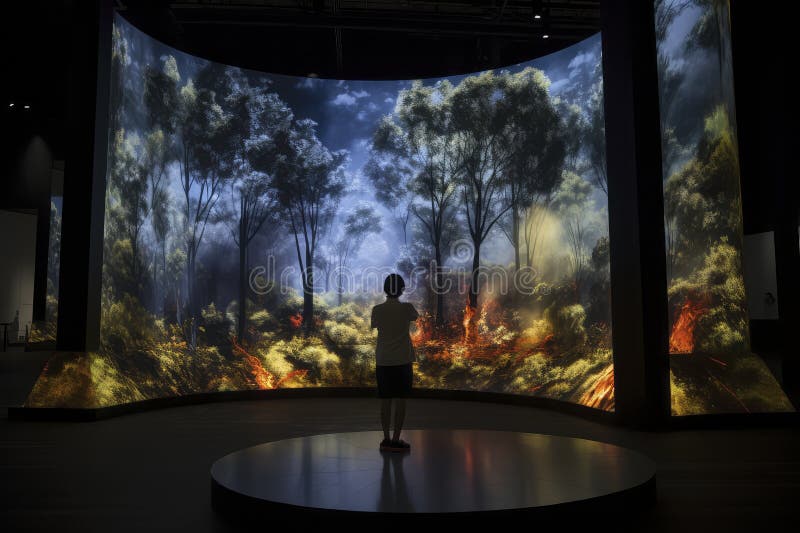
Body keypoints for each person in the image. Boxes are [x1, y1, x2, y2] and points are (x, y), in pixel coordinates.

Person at [371, 274, 418, 452]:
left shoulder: (377, 310)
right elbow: (415, 317)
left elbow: (375, 324)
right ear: (401, 289)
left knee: (385, 401)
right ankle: (396, 439)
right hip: (403, 360)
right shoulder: (407, 308)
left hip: (383, 360)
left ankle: (386, 439)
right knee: (401, 401)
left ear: (385, 289)